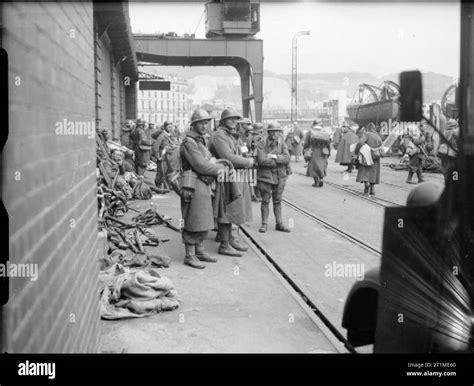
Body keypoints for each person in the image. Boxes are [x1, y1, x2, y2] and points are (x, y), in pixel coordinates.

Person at [180, 109, 226, 269]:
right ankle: (189, 255)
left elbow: (208, 159)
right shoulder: (189, 142)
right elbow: (200, 165)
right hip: (192, 183)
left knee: (204, 218)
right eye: (201, 122)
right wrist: (220, 168)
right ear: (194, 124)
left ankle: (199, 251)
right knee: (193, 219)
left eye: (206, 122)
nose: (205, 125)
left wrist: (212, 163)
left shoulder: (199, 140)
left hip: (203, 182)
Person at [210, 108, 255, 257]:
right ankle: (224, 244)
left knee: (235, 209)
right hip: (225, 176)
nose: (234, 122)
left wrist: (245, 157)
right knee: (226, 210)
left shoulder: (232, 135)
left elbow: (238, 153)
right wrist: (248, 161)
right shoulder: (219, 136)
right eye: (231, 119)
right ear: (223, 121)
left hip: (235, 175)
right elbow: (227, 156)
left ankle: (229, 238)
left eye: (236, 119)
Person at [256, 121, 291, 233]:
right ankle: (264, 224)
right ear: (269, 132)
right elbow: (262, 161)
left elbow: (287, 158)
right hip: (266, 176)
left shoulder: (282, 144)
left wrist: (274, 157)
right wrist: (278, 162)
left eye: (277, 131)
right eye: (273, 131)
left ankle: (279, 223)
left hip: (280, 176)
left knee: (277, 201)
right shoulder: (261, 143)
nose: (275, 134)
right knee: (265, 200)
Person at [355, 123, 383, 196]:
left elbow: (360, 142)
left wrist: (356, 151)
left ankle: (366, 183)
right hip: (376, 157)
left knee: (365, 170)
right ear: (374, 129)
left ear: (368, 128)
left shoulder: (366, 134)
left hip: (366, 155)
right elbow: (381, 148)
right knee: (374, 171)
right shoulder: (378, 137)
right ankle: (372, 189)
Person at [303, 120, 331, 187]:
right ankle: (321, 179)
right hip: (323, 151)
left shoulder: (310, 132)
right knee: (322, 166)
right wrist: (329, 152)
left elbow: (306, 143)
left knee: (314, 167)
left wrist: (304, 150)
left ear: (313, 125)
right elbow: (328, 144)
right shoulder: (325, 132)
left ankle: (316, 182)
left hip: (314, 151)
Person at [152, 121, 174, 190]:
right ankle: (158, 184)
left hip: (168, 157)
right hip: (162, 156)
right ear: (165, 127)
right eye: (168, 127)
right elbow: (155, 146)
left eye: (171, 127)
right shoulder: (162, 136)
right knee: (160, 171)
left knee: (168, 171)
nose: (170, 128)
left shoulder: (170, 135)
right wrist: (158, 157)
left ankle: (167, 184)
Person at [437, 118, 459, 183]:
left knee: (445, 169)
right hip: (453, 153)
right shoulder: (456, 132)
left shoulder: (444, 132)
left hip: (443, 152)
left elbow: (440, 142)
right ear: (455, 125)